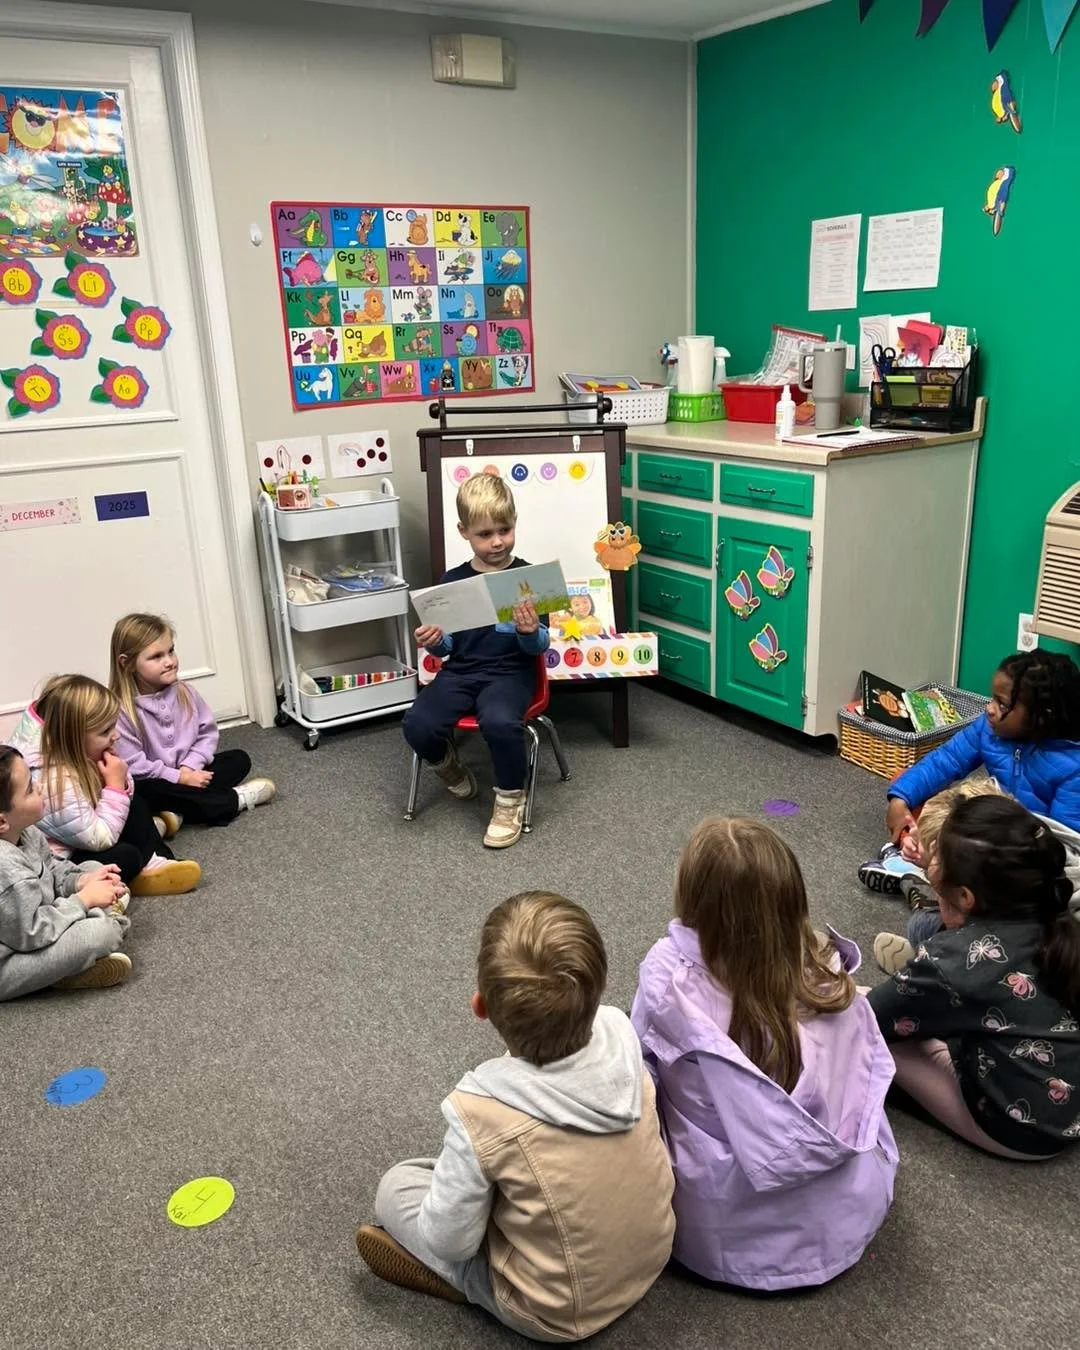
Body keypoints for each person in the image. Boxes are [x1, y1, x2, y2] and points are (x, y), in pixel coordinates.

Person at [356, 891, 675, 1341]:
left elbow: (451, 1242)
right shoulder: (625, 1040)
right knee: (497, 1178)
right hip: (654, 1252)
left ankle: (467, 1286)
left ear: (480, 1006)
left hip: (556, 1312)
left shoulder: (480, 1112)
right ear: (596, 990)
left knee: (398, 1185)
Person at [632, 817, 897, 1290]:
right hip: (847, 1208)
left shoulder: (667, 976)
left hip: (723, 1231)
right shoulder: (823, 966)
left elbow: (639, 1078)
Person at [869, 795, 1080, 1159]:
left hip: (1023, 1129)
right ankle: (921, 993)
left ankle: (919, 992)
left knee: (867, 1028)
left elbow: (866, 1019)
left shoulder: (959, 957)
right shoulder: (1056, 921)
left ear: (965, 896)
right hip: (1065, 1106)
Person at [404, 473, 549, 849]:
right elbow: (448, 645)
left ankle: (509, 799)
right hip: (462, 671)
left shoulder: (527, 578)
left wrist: (529, 630)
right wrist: (434, 642)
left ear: (515, 522)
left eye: (505, 529)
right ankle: (446, 763)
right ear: (464, 531)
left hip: (511, 673)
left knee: (499, 721)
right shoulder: (452, 580)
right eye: (485, 534)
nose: (497, 541)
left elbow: (538, 648)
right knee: (417, 723)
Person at [8, 675, 200, 896]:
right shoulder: (52, 781)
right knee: (126, 856)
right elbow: (99, 838)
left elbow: (116, 800)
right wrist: (115, 786)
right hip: (62, 864)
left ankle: (156, 859)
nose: (115, 735)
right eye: (104, 731)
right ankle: (142, 867)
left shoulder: (71, 751)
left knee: (135, 802)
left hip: (83, 832)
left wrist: (118, 781)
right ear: (73, 737)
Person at [109, 612, 275, 833]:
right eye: (156, 657)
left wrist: (189, 768)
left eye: (171, 651)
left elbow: (206, 734)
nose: (169, 662)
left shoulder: (185, 692)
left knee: (238, 760)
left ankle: (177, 811)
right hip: (153, 780)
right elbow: (135, 766)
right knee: (140, 792)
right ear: (127, 663)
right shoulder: (119, 709)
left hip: (190, 770)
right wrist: (180, 778)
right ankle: (234, 800)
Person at [0, 745, 132, 996]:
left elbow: (51, 868)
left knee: (94, 868)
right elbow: (32, 934)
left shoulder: (24, 830)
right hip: (10, 959)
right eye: (29, 789)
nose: (39, 787)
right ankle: (73, 961)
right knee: (101, 934)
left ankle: (74, 959)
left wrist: (81, 881)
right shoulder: (6, 870)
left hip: (33, 920)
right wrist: (83, 900)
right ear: (1, 821)